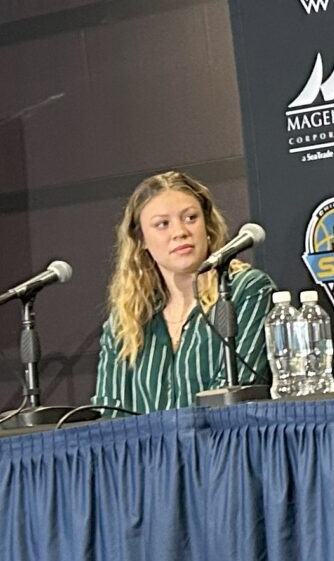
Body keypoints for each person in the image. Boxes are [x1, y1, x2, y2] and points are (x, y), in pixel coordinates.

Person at [90, 171, 274, 409]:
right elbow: (109, 411)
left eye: (190, 218)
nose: (180, 232)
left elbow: (239, 391)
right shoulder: (126, 319)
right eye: (162, 224)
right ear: (141, 239)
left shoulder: (247, 290)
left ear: (207, 226)